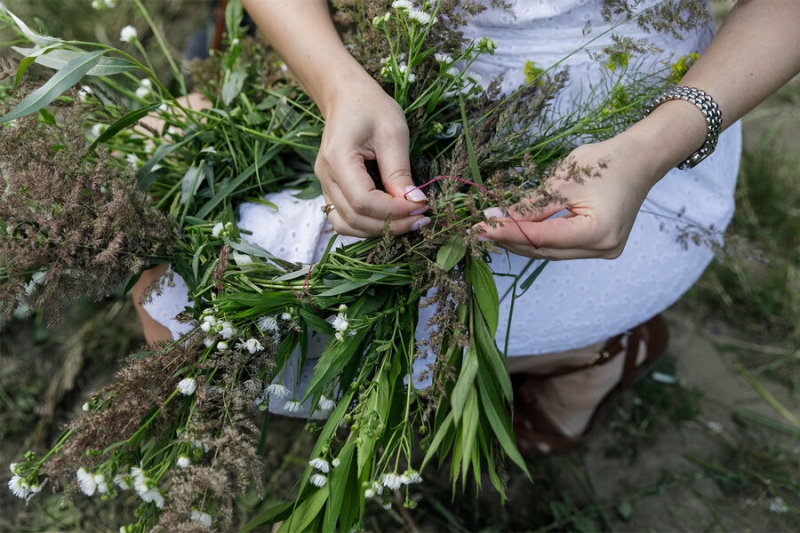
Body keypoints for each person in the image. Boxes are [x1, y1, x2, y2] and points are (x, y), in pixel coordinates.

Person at [137, 0, 800, 455]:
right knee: (175, 306)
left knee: (298, 335)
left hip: (624, 133)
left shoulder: (640, 140)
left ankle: (589, 356)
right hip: (367, 53)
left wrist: (656, 146)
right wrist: (337, 84)